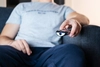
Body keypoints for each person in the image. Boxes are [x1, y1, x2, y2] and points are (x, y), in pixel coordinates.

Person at [0, 0, 89, 67]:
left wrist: (75, 20)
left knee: (73, 52)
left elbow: (84, 19)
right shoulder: (22, 7)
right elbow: (3, 37)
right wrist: (11, 43)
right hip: (19, 52)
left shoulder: (63, 9)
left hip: (51, 53)